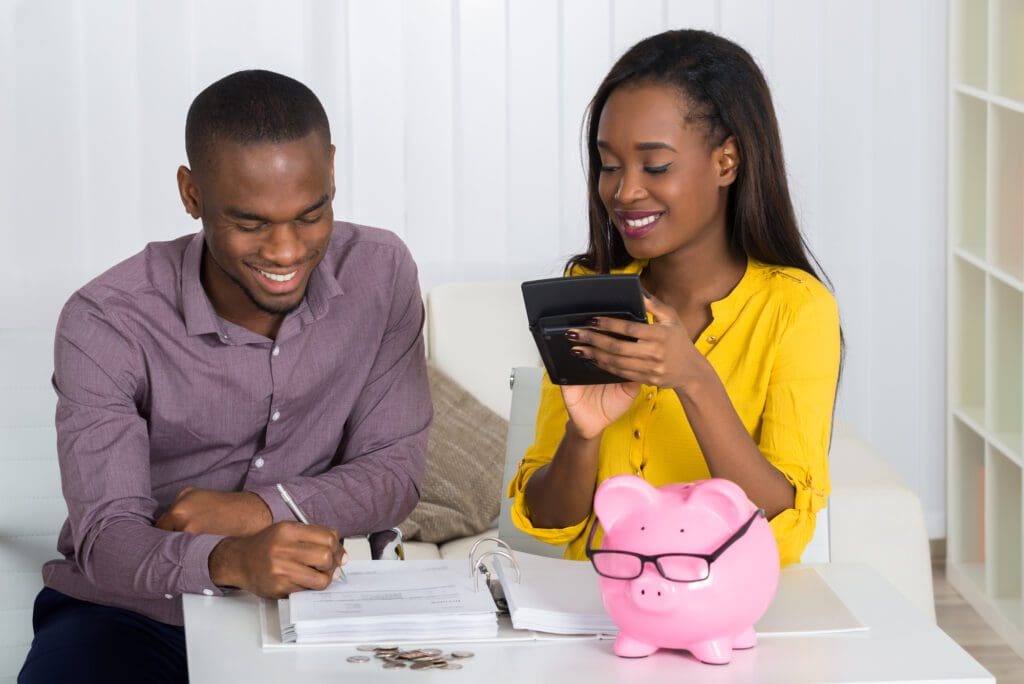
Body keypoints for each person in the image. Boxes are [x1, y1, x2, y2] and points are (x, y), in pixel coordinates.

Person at [19, 70, 431, 683]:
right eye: (252, 223)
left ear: (333, 170)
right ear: (191, 194)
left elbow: (393, 475)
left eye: (311, 214)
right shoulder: (106, 319)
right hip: (132, 614)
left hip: (323, 605)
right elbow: (107, 540)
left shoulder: (381, 271)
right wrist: (230, 559)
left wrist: (256, 511)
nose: (288, 252)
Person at [508, 30, 841, 567]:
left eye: (655, 166)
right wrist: (583, 434)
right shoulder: (587, 288)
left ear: (726, 162)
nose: (624, 191)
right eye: (609, 165)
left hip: (726, 621)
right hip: (598, 616)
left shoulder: (796, 309)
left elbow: (780, 530)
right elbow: (549, 522)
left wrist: (694, 379)